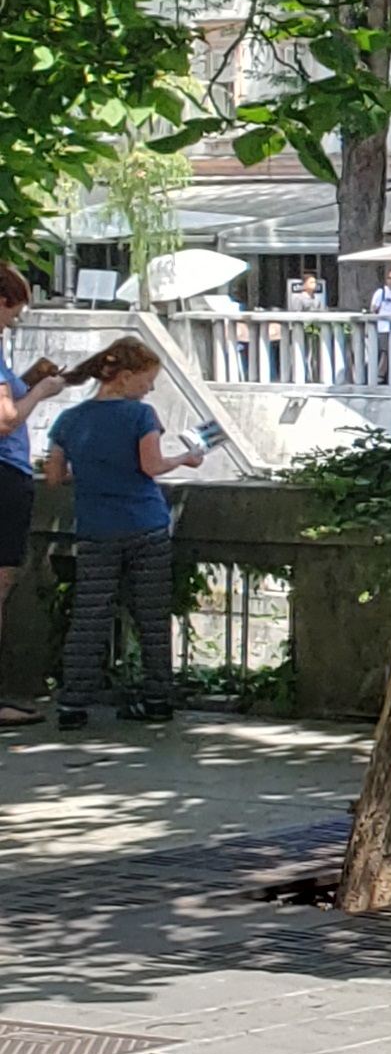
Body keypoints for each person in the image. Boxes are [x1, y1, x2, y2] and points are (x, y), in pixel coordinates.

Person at [38, 337, 208, 730]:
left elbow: (53, 477)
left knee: (89, 615)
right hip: (145, 525)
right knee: (150, 615)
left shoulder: (70, 421)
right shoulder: (141, 416)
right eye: (147, 380)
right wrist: (187, 458)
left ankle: (72, 703)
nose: (149, 389)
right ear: (126, 377)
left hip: (95, 528)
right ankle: (157, 698)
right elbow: (151, 466)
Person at [0, 267, 53, 727]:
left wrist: (24, 380)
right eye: (14, 309)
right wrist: (41, 390)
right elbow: (5, 420)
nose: (15, 320)